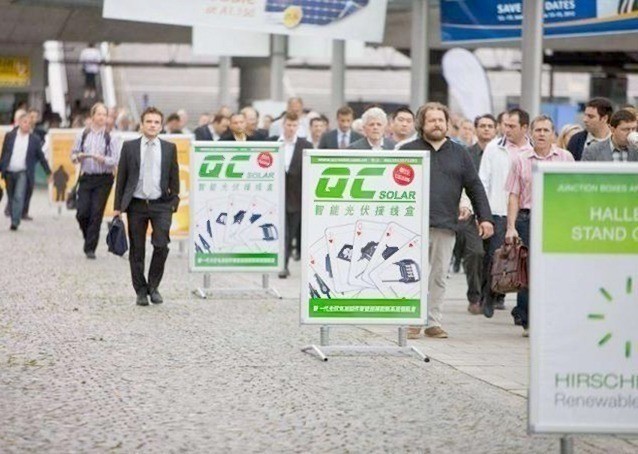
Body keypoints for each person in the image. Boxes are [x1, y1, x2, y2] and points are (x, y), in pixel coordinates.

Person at [401, 102, 493, 339]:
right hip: (411, 226)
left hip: (445, 224)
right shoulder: (407, 151)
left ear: (447, 123)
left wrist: (485, 218)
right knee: (412, 275)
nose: (437, 124)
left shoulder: (459, 153)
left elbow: (475, 186)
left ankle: (433, 322)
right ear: (422, 124)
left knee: (439, 276)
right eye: (432, 120)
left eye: (441, 120)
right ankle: (412, 321)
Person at [505, 115, 574, 337]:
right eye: (538, 130)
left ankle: (553, 317)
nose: (542, 134)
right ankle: (527, 319)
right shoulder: (521, 159)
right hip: (528, 218)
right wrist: (511, 226)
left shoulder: (565, 158)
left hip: (557, 218)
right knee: (528, 270)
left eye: (546, 130)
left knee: (555, 268)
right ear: (531, 133)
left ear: (553, 134)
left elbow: (574, 192)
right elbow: (513, 195)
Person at [113, 107, 180, 306]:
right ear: (141, 125)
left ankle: (153, 286)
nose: (152, 125)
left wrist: (174, 200)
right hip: (136, 204)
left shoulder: (169, 148)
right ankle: (141, 291)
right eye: (149, 121)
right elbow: (122, 178)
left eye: (156, 122)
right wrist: (117, 207)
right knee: (137, 249)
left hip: (161, 204)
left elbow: (174, 176)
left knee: (161, 245)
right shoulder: (129, 147)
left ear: (161, 126)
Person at [458, 114, 498, 315]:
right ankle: (474, 296)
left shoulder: (501, 153)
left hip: (496, 211)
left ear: (496, 129)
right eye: (482, 125)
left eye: (490, 126)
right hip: (471, 212)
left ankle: (490, 296)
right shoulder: (466, 153)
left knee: (493, 256)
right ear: (476, 129)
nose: (486, 129)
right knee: (475, 253)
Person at [71, 102, 121, 259]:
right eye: (99, 114)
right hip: (86, 177)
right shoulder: (82, 134)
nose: (102, 117)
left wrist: (103, 159)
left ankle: (90, 247)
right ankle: (88, 237)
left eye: (104, 115)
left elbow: (115, 160)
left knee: (96, 213)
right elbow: (73, 154)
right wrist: (78, 157)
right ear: (92, 116)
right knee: (82, 212)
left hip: (104, 179)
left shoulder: (111, 137)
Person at [0, 111, 51, 230]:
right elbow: (4, 153)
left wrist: (48, 172)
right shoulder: (10, 136)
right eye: (24, 122)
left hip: (23, 171)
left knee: (19, 195)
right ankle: (14, 214)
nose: (27, 125)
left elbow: (41, 156)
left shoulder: (34, 139)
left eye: (29, 123)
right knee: (11, 196)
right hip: (9, 171)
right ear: (19, 123)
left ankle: (15, 221)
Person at [276, 112, 312, 279]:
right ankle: (281, 265)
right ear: (283, 125)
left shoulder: (306, 146)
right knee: (281, 232)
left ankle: (284, 263)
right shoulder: (273, 143)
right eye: (288, 125)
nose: (291, 128)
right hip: (276, 197)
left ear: (298, 126)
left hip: (296, 198)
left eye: (294, 125)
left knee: (290, 233)